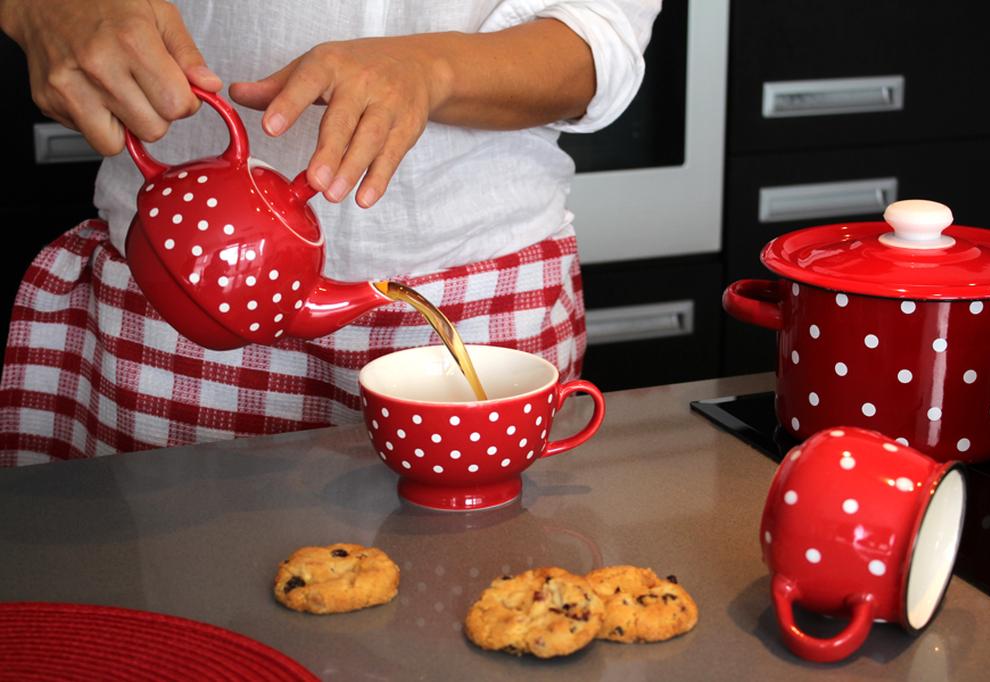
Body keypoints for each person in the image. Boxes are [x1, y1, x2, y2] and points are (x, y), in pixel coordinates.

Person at [0, 0, 659, 465]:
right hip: (174, 294)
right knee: (176, 603)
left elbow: (599, 37)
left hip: (484, 296)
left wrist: (432, 68)